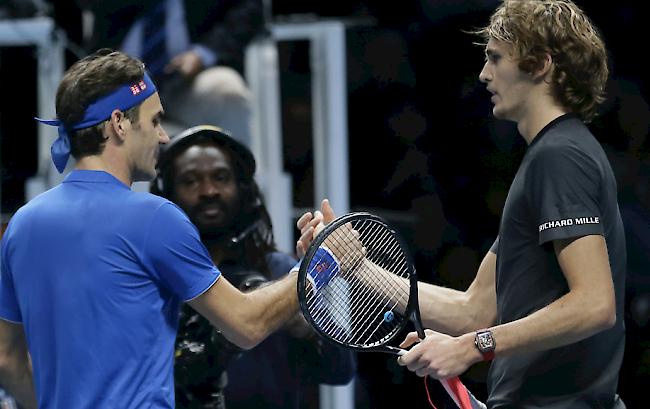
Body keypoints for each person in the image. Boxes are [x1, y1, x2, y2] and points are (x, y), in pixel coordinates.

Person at [299, 1, 627, 408]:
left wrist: (474, 347)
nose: (483, 74)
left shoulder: (560, 155)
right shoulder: (551, 156)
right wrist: (357, 268)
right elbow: (472, 312)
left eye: (495, 58)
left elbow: (595, 304)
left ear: (540, 64)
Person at [0, 49, 324, 409]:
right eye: (154, 121)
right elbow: (246, 324)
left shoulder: (20, 226)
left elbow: (7, 360)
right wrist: (317, 265)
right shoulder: (154, 218)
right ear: (120, 122)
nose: (163, 137)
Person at [150, 124, 356, 408]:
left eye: (221, 177)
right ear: (169, 192)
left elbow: (341, 371)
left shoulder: (282, 271)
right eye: (191, 181)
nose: (208, 190)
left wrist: (302, 325)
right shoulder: (153, 279)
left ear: (242, 187)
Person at [84, 0, 264, 144]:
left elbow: (249, 8)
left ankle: (238, 183)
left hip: (186, 82)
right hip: (124, 86)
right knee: (86, 102)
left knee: (227, 91)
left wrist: (203, 54)